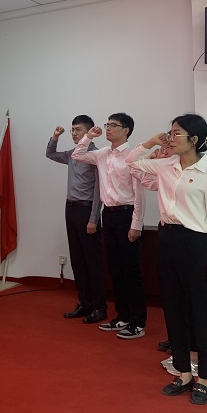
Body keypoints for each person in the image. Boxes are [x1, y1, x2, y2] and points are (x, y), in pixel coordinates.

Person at [127, 114, 207, 405]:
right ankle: (183, 373)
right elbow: (130, 161)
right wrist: (150, 142)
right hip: (167, 240)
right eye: (170, 132)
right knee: (173, 308)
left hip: (196, 244)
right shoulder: (165, 166)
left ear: (194, 140)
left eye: (177, 133)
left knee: (201, 312)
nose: (171, 137)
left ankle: (204, 379)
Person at [72, 113, 147, 340]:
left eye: (114, 125)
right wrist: (88, 137)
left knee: (131, 271)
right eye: (107, 124)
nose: (108, 128)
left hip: (127, 215)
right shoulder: (102, 153)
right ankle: (122, 316)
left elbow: (139, 193)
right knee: (115, 269)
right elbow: (77, 155)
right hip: (109, 215)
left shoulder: (133, 155)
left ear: (126, 130)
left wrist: (136, 224)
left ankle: (138, 322)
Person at [46, 115, 106, 324]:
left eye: (78, 129)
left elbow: (99, 190)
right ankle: (85, 303)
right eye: (72, 130)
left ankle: (99, 307)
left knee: (92, 261)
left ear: (89, 131)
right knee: (77, 259)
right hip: (70, 208)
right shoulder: (72, 154)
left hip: (86, 210)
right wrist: (55, 136)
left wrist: (94, 219)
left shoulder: (96, 155)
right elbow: (50, 154)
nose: (73, 133)